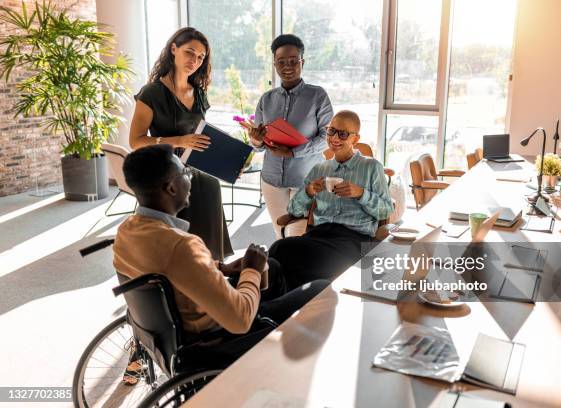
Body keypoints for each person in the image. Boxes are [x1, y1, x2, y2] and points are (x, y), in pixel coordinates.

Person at [113, 144, 329, 367]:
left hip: (171, 323)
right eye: (185, 173)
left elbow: (168, 267)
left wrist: (221, 267)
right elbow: (240, 320)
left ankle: (277, 330)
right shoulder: (182, 245)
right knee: (320, 288)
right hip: (215, 337)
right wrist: (251, 271)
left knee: (272, 266)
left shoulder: (127, 230)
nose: (190, 178)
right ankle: (283, 346)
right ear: (171, 188)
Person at [129, 27, 231, 260]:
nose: (194, 60)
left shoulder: (200, 93)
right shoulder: (151, 93)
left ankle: (210, 271)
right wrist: (179, 141)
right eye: (190, 52)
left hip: (196, 171)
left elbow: (201, 137)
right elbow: (135, 141)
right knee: (175, 245)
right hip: (165, 173)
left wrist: (229, 158)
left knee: (210, 191)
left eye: (200, 57)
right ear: (173, 49)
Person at [269, 111, 393, 287]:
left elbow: (387, 210)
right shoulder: (319, 169)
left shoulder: (372, 167)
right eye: (331, 131)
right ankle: (271, 301)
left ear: (355, 139)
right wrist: (309, 191)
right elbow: (294, 210)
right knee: (280, 251)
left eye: (342, 134)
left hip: (353, 240)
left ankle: (272, 301)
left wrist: (361, 194)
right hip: (318, 235)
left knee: (286, 255)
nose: (334, 138)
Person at [243, 34, 334, 238]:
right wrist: (256, 140)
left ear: (303, 62)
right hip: (272, 180)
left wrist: (293, 153)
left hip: (306, 180)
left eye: (294, 61)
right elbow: (258, 144)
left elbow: (327, 139)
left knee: (297, 236)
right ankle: (281, 270)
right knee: (279, 233)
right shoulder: (266, 99)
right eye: (281, 62)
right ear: (274, 64)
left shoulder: (318, 96)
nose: (287, 66)